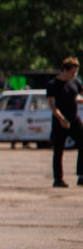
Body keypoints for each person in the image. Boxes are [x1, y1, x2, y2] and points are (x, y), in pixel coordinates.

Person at [46, 56, 83, 187]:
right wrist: (62, 119)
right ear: (64, 70)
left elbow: (76, 96)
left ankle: (81, 175)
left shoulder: (75, 82)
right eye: (72, 72)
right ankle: (58, 179)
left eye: (75, 73)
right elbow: (52, 105)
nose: (74, 75)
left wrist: (80, 100)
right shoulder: (53, 85)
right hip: (60, 120)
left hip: (74, 118)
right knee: (58, 150)